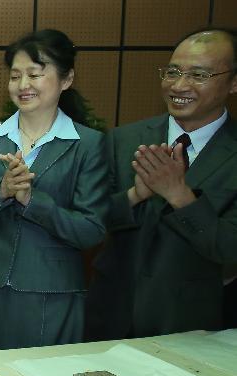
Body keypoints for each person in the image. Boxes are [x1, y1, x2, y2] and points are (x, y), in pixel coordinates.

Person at [0, 30, 107, 352]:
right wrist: (2, 190)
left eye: (35, 74)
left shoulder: (89, 145)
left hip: (54, 292)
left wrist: (31, 200)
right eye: (15, 76)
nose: (23, 85)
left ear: (66, 80)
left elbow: (91, 230)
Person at [86, 28, 237, 339]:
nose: (179, 85)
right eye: (173, 71)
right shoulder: (123, 139)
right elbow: (90, 222)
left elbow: (229, 249)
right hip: (111, 314)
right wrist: (134, 195)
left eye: (199, 74)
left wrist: (180, 196)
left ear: (234, 82)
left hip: (192, 324)